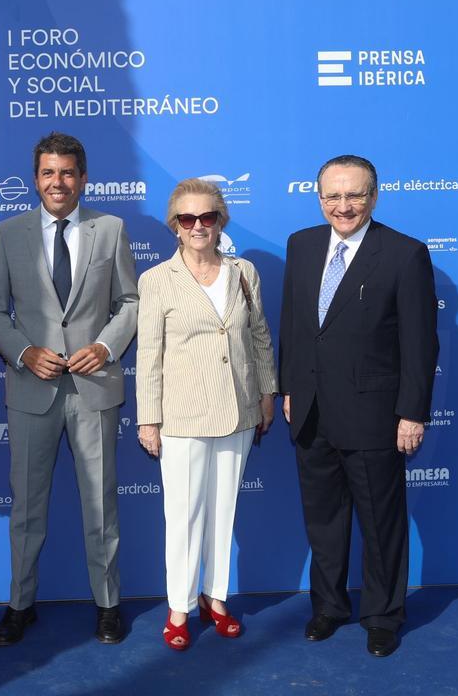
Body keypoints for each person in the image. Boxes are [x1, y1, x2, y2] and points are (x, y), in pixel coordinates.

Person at [0, 131, 139, 645]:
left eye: (67, 173)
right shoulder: (10, 233)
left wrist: (106, 347)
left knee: (100, 503)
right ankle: (20, 605)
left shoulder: (109, 229)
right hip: (32, 389)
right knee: (27, 508)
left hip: (93, 387)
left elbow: (131, 304)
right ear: (35, 180)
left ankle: (108, 605)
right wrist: (24, 352)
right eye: (49, 173)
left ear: (83, 178)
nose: (58, 182)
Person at [279, 154, 438, 658]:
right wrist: (288, 388)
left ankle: (383, 615)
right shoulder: (302, 246)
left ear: (374, 195)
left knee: (380, 522)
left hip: (375, 416)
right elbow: (295, 326)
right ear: (319, 197)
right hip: (310, 411)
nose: (343, 206)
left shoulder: (404, 254)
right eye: (333, 195)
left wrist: (412, 412)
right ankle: (328, 607)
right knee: (323, 521)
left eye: (354, 195)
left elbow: (420, 342)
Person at [136, 178, 278, 651]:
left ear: (221, 222)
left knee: (223, 512)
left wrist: (267, 394)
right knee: (183, 515)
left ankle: (215, 598)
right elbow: (149, 354)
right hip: (181, 417)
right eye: (188, 219)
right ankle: (179, 606)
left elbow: (258, 336)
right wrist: (148, 419)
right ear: (175, 227)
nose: (199, 226)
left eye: (208, 217)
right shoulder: (156, 280)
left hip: (238, 412)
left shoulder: (244, 273)